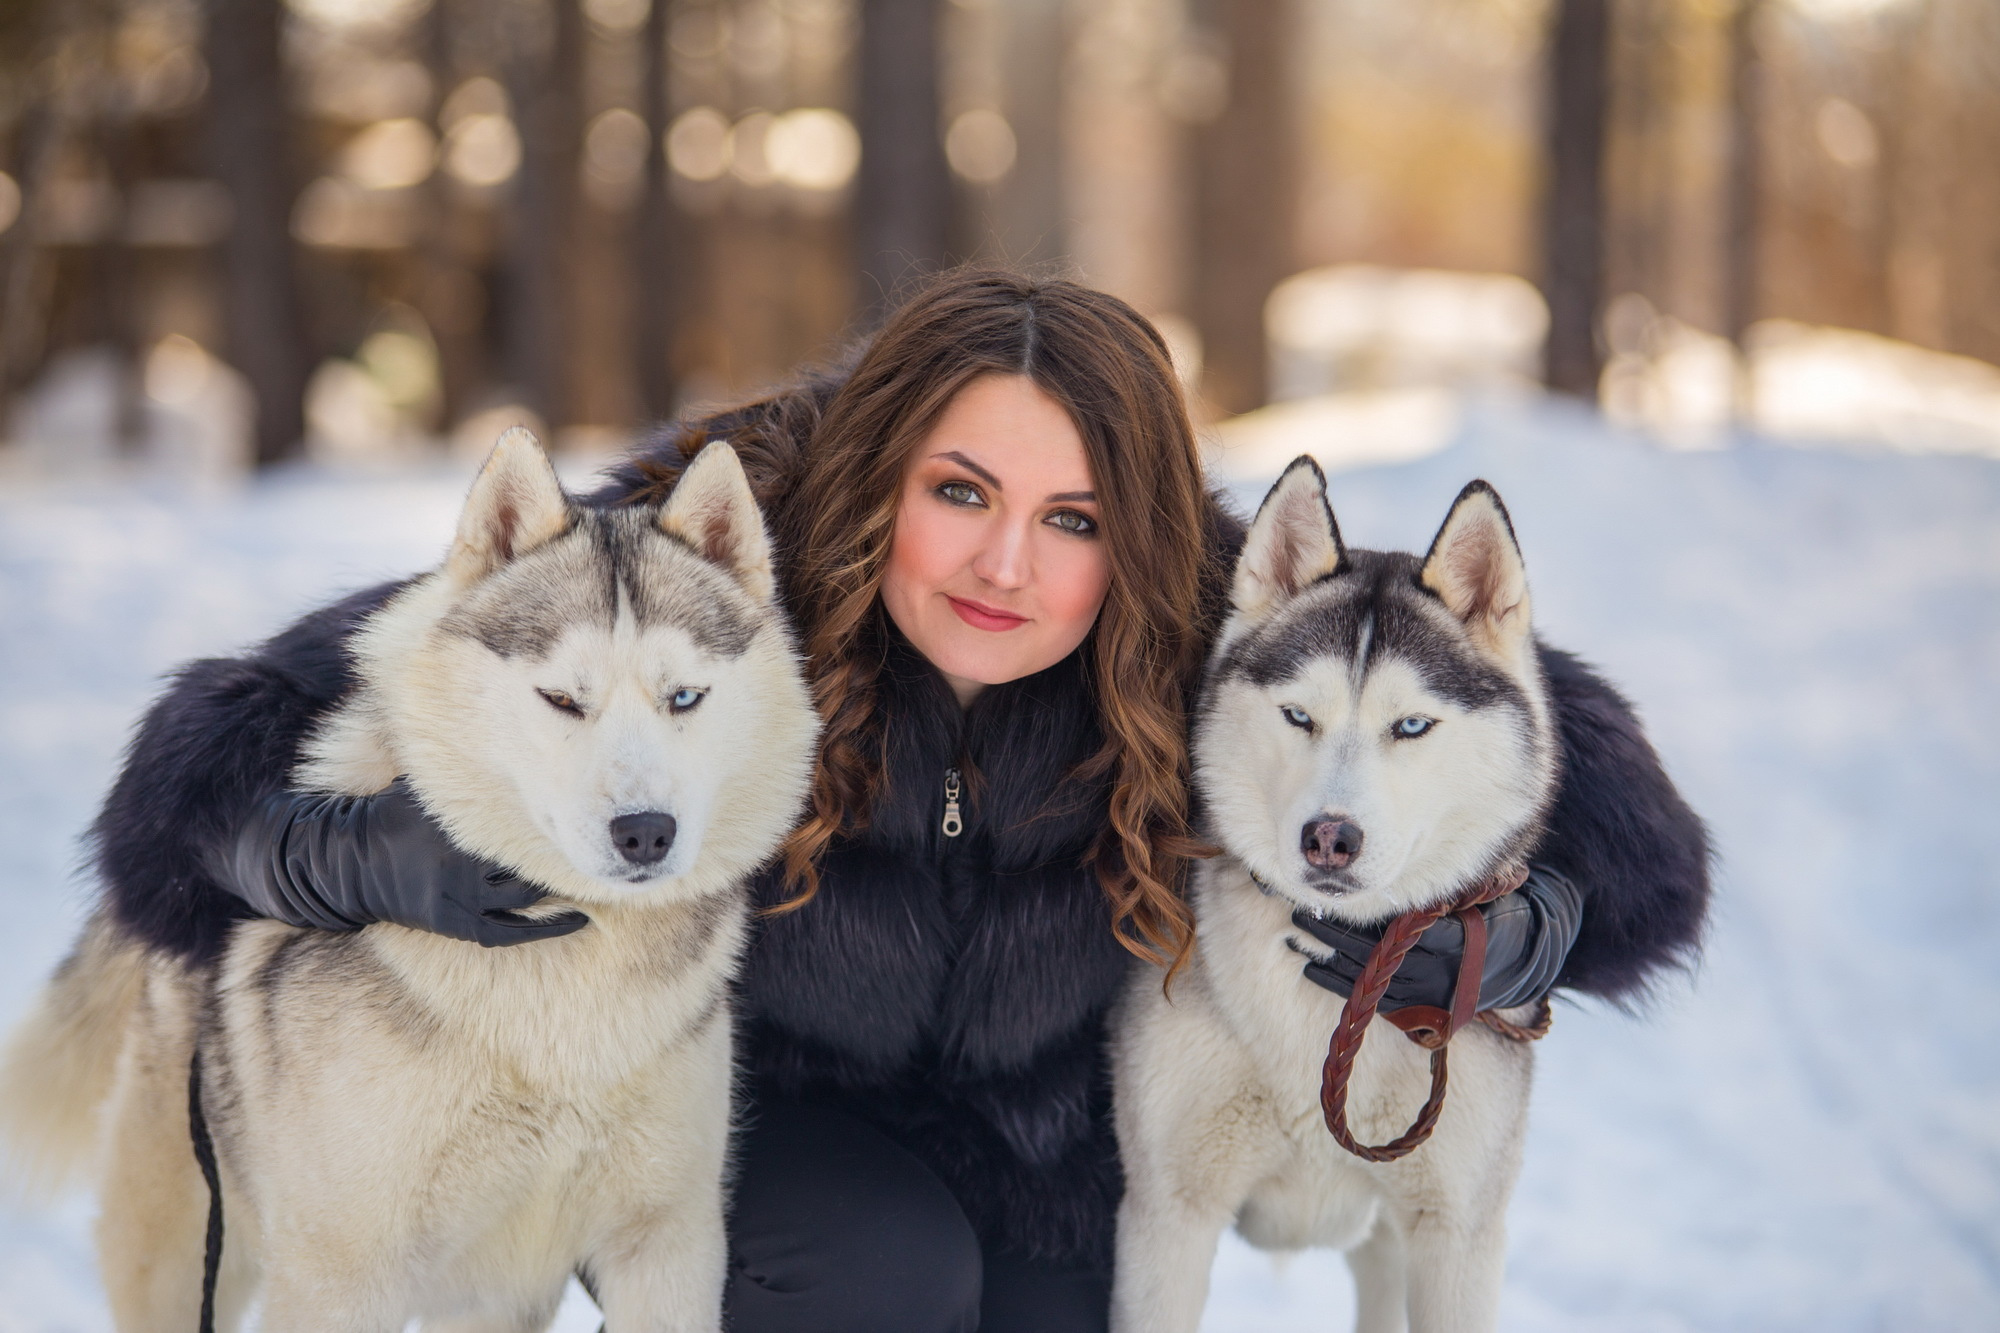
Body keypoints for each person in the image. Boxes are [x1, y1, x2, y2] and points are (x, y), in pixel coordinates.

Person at [96, 270, 1707, 1332]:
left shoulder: (1234, 608)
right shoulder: (701, 558)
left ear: (1134, 527)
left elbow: (1620, 828)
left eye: (1071, 516)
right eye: (961, 494)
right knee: (881, 1269)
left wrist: (1528, 937)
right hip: (742, 1121)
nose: (1012, 564)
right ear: (879, 476)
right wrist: (332, 850)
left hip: (1038, 1138)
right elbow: (207, 758)